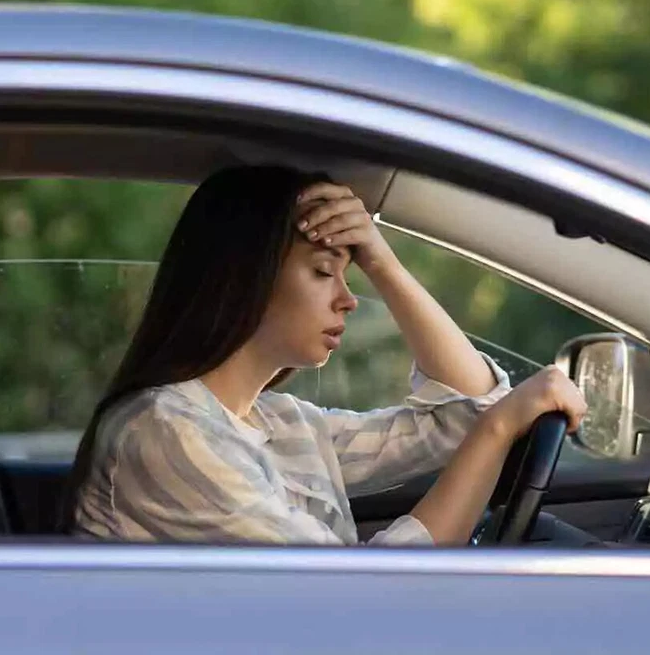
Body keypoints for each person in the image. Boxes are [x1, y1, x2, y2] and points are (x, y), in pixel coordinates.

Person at [62, 165, 587, 546]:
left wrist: (381, 259)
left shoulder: (281, 423)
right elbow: (355, 602)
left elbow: (464, 415)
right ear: (247, 278)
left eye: (349, 273)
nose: (348, 298)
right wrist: (501, 428)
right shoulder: (165, 432)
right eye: (321, 272)